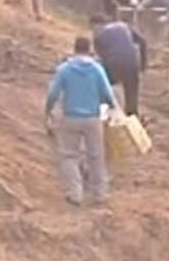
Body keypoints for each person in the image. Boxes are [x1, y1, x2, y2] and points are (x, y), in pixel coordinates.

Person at [43, 36, 117, 206]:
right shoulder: (97, 69)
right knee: (96, 156)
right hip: (92, 118)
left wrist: (48, 111)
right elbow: (106, 92)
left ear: (74, 49)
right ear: (89, 49)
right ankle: (100, 194)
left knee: (69, 156)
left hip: (70, 117)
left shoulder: (65, 69)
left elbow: (53, 93)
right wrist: (111, 107)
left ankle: (75, 193)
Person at [94, 19, 148, 118]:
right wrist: (143, 65)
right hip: (132, 63)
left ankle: (103, 116)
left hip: (114, 63)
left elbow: (101, 58)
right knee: (131, 93)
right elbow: (143, 41)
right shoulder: (124, 26)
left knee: (102, 86)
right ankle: (133, 119)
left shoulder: (98, 36)